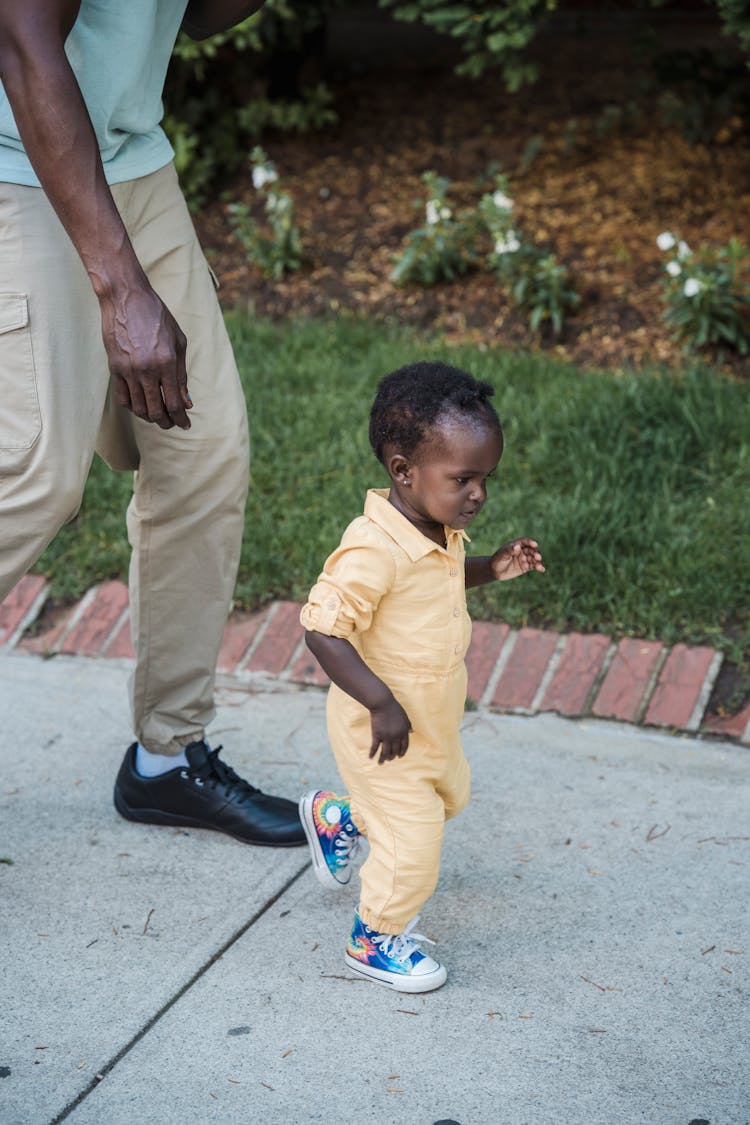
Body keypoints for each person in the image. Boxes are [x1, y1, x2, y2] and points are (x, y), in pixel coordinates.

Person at [0, 1, 305, 847]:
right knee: (31, 475)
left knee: (202, 456)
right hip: (15, 168)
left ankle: (167, 761)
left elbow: (197, 16)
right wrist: (120, 287)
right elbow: (23, 39)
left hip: (131, 162)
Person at [298, 361, 545, 992]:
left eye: (486, 478)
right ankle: (374, 937)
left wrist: (492, 567)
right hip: (381, 727)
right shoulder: (372, 548)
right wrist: (379, 703)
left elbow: (435, 584)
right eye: (464, 478)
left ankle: (340, 818)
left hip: (429, 720)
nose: (479, 494)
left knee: (449, 798)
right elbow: (322, 629)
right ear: (403, 470)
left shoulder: (438, 529)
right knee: (414, 845)